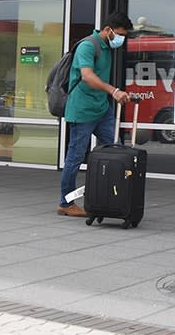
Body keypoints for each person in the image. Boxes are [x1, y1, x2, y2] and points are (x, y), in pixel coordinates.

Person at [57, 11, 132, 217]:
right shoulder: (88, 46)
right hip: (82, 109)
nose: (121, 39)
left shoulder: (108, 47)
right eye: (119, 34)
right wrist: (114, 91)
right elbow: (88, 76)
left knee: (116, 150)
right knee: (75, 156)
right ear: (107, 30)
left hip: (101, 108)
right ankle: (66, 202)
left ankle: (114, 194)